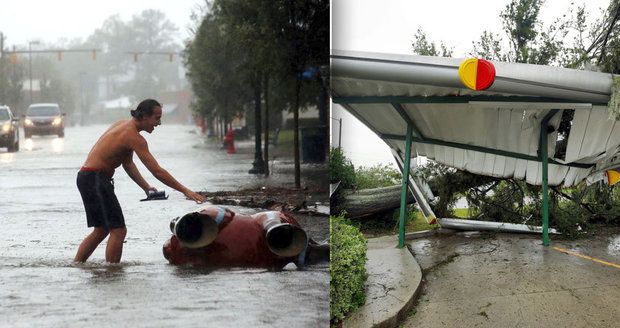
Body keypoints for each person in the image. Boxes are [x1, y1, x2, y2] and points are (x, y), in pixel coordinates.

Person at [74, 99, 206, 263]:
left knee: (101, 229)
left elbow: (127, 163)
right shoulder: (134, 137)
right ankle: (112, 273)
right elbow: (157, 171)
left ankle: (77, 265)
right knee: (119, 230)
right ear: (143, 116)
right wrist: (186, 190)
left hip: (87, 177)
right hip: (95, 179)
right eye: (156, 118)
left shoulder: (122, 125)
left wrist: (146, 188)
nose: (159, 123)